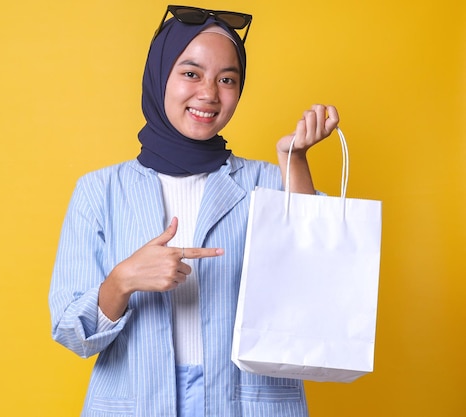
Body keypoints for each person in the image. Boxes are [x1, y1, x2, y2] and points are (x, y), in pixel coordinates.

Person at [49, 5, 339, 417]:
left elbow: (319, 282)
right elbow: (71, 332)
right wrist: (122, 281)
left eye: (227, 79)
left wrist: (293, 160)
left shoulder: (269, 181)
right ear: (159, 75)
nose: (209, 93)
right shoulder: (99, 191)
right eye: (191, 73)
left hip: (251, 403)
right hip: (135, 402)